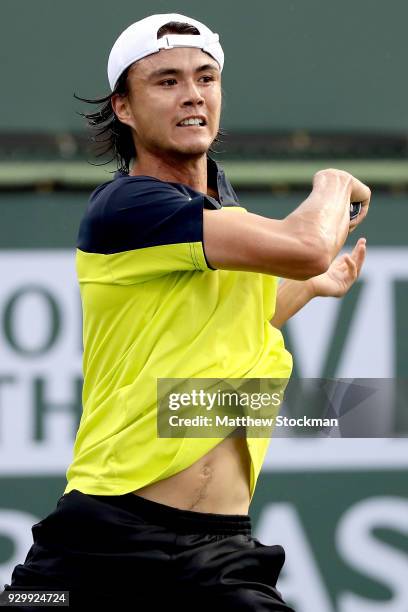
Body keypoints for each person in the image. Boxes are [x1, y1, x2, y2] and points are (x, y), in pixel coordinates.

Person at [2, 13, 370, 611]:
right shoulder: (129, 205)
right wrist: (331, 185)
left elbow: (229, 327)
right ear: (123, 106)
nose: (193, 94)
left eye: (205, 78)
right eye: (167, 81)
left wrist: (309, 289)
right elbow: (305, 246)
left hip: (221, 556)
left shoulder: (221, 217)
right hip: (103, 542)